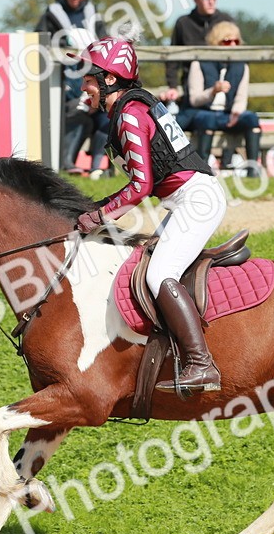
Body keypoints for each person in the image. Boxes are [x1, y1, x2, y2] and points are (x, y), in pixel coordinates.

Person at [70, 35, 226, 393]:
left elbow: (141, 186)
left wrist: (99, 215)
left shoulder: (129, 115)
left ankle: (202, 365)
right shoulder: (128, 110)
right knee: (146, 263)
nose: (84, 88)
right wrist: (100, 208)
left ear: (110, 79)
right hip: (187, 199)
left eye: (89, 80)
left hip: (196, 200)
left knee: (159, 274)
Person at [36, 0, 110, 174]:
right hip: (63, 78)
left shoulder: (93, 13)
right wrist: (65, 46)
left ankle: (96, 168)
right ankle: (66, 163)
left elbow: (105, 43)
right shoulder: (51, 13)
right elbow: (40, 43)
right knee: (75, 112)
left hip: (89, 76)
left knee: (91, 118)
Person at [176, 21, 262, 176]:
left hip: (228, 114)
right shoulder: (199, 63)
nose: (233, 45)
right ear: (217, 42)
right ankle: (203, 172)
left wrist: (237, 112)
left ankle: (253, 170)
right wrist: (213, 91)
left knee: (252, 119)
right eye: (228, 41)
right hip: (202, 112)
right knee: (207, 119)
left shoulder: (242, 66)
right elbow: (194, 99)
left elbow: (241, 98)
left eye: (236, 41)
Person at [161, 0, 234, 103]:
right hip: (190, 87)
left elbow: (237, 53)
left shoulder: (226, 22)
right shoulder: (183, 23)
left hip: (223, 87)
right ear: (196, 0)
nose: (211, 2)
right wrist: (173, 86)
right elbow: (172, 58)